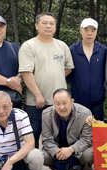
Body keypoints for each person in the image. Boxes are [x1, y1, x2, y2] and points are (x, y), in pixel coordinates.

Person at [18, 12, 74, 145]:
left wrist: (56, 76)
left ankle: (58, 159)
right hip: (36, 102)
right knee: (33, 137)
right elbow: (26, 73)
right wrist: (38, 95)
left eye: (52, 24)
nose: (48, 26)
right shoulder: (29, 46)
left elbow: (69, 68)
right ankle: (32, 159)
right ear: (36, 26)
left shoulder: (62, 45)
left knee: (60, 137)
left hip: (59, 103)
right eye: (44, 23)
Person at [40, 89, 94, 170]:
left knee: (89, 154)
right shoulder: (46, 114)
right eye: (57, 104)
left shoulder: (85, 113)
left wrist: (71, 149)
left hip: (78, 148)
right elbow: (47, 139)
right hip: (58, 148)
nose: (61, 107)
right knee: (42, 155)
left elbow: (87, 138)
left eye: (64, 103)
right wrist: (56, 151)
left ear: (72, 101)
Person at [68, 18, 107, 120]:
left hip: (97, 100)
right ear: (80, 31)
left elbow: (106, 73)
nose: (89, 34)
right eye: (86, 30)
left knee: (96, 127)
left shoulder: (103, 50)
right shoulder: (72, 50)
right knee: (78, 127)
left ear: (96, 32)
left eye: (93, 30)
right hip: (78, 100)